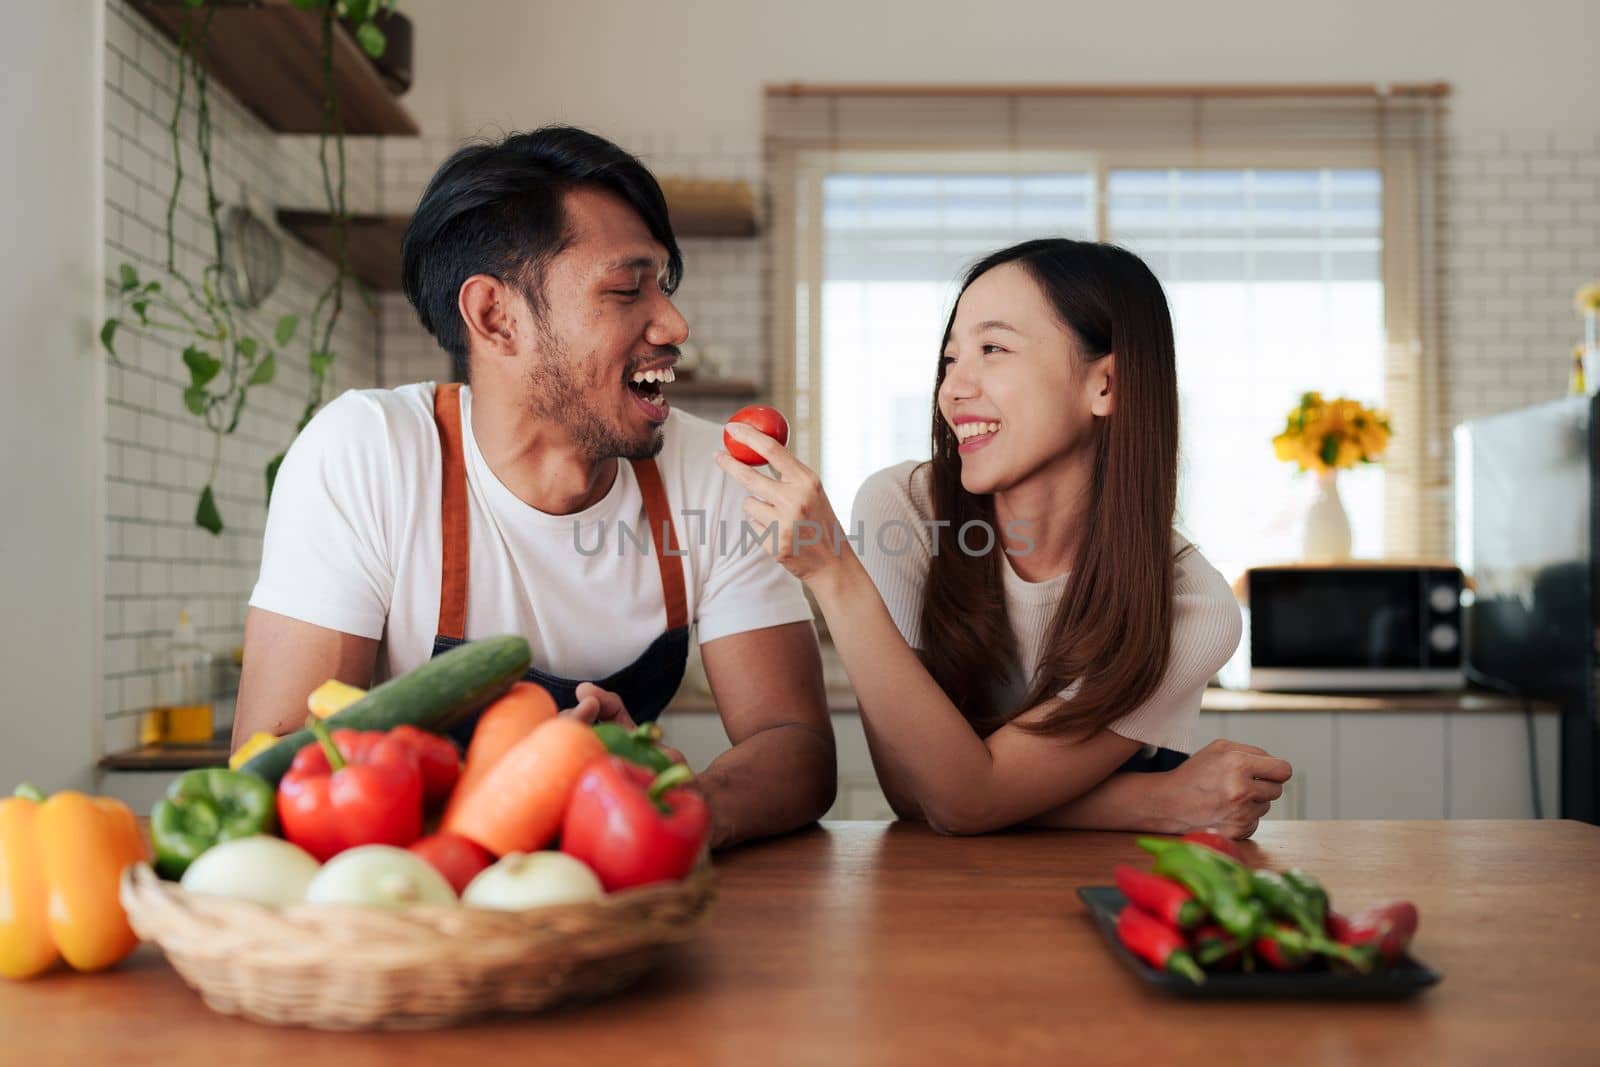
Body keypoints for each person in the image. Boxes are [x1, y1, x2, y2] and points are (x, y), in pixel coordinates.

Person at [234, 126, 835, 849]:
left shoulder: (711, 473)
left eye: (664, 285)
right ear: (495, 317)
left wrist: (659, 803)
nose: (674, 322)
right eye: (625, 288)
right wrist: (530, 793)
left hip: (608, 897)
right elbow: (273, 766)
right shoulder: (368, 453)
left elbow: (796, 746)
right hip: (418, 897)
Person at [716, 238, 1291, 838]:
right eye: (949, 360)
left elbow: (958, 801)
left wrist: (836, 573)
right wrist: (1157, 802)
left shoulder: (1192, 608)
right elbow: (914, 789)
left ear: (1106, 386)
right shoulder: (903, 509)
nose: (953, 389)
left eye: (992, 349)